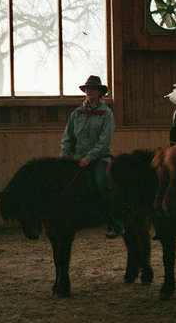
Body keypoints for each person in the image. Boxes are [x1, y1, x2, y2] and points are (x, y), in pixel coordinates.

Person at [60, 75, 124, 239]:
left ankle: (114, 223)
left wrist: (88, 158)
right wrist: (65, 155)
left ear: (99, 92)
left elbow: (104, 141)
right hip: (77, 158)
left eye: (93, 89)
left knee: (102, 184)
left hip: (99, 159)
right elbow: (68, 137)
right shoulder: (77, 113)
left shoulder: (106, 114)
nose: (90, 91)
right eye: (88, 89)